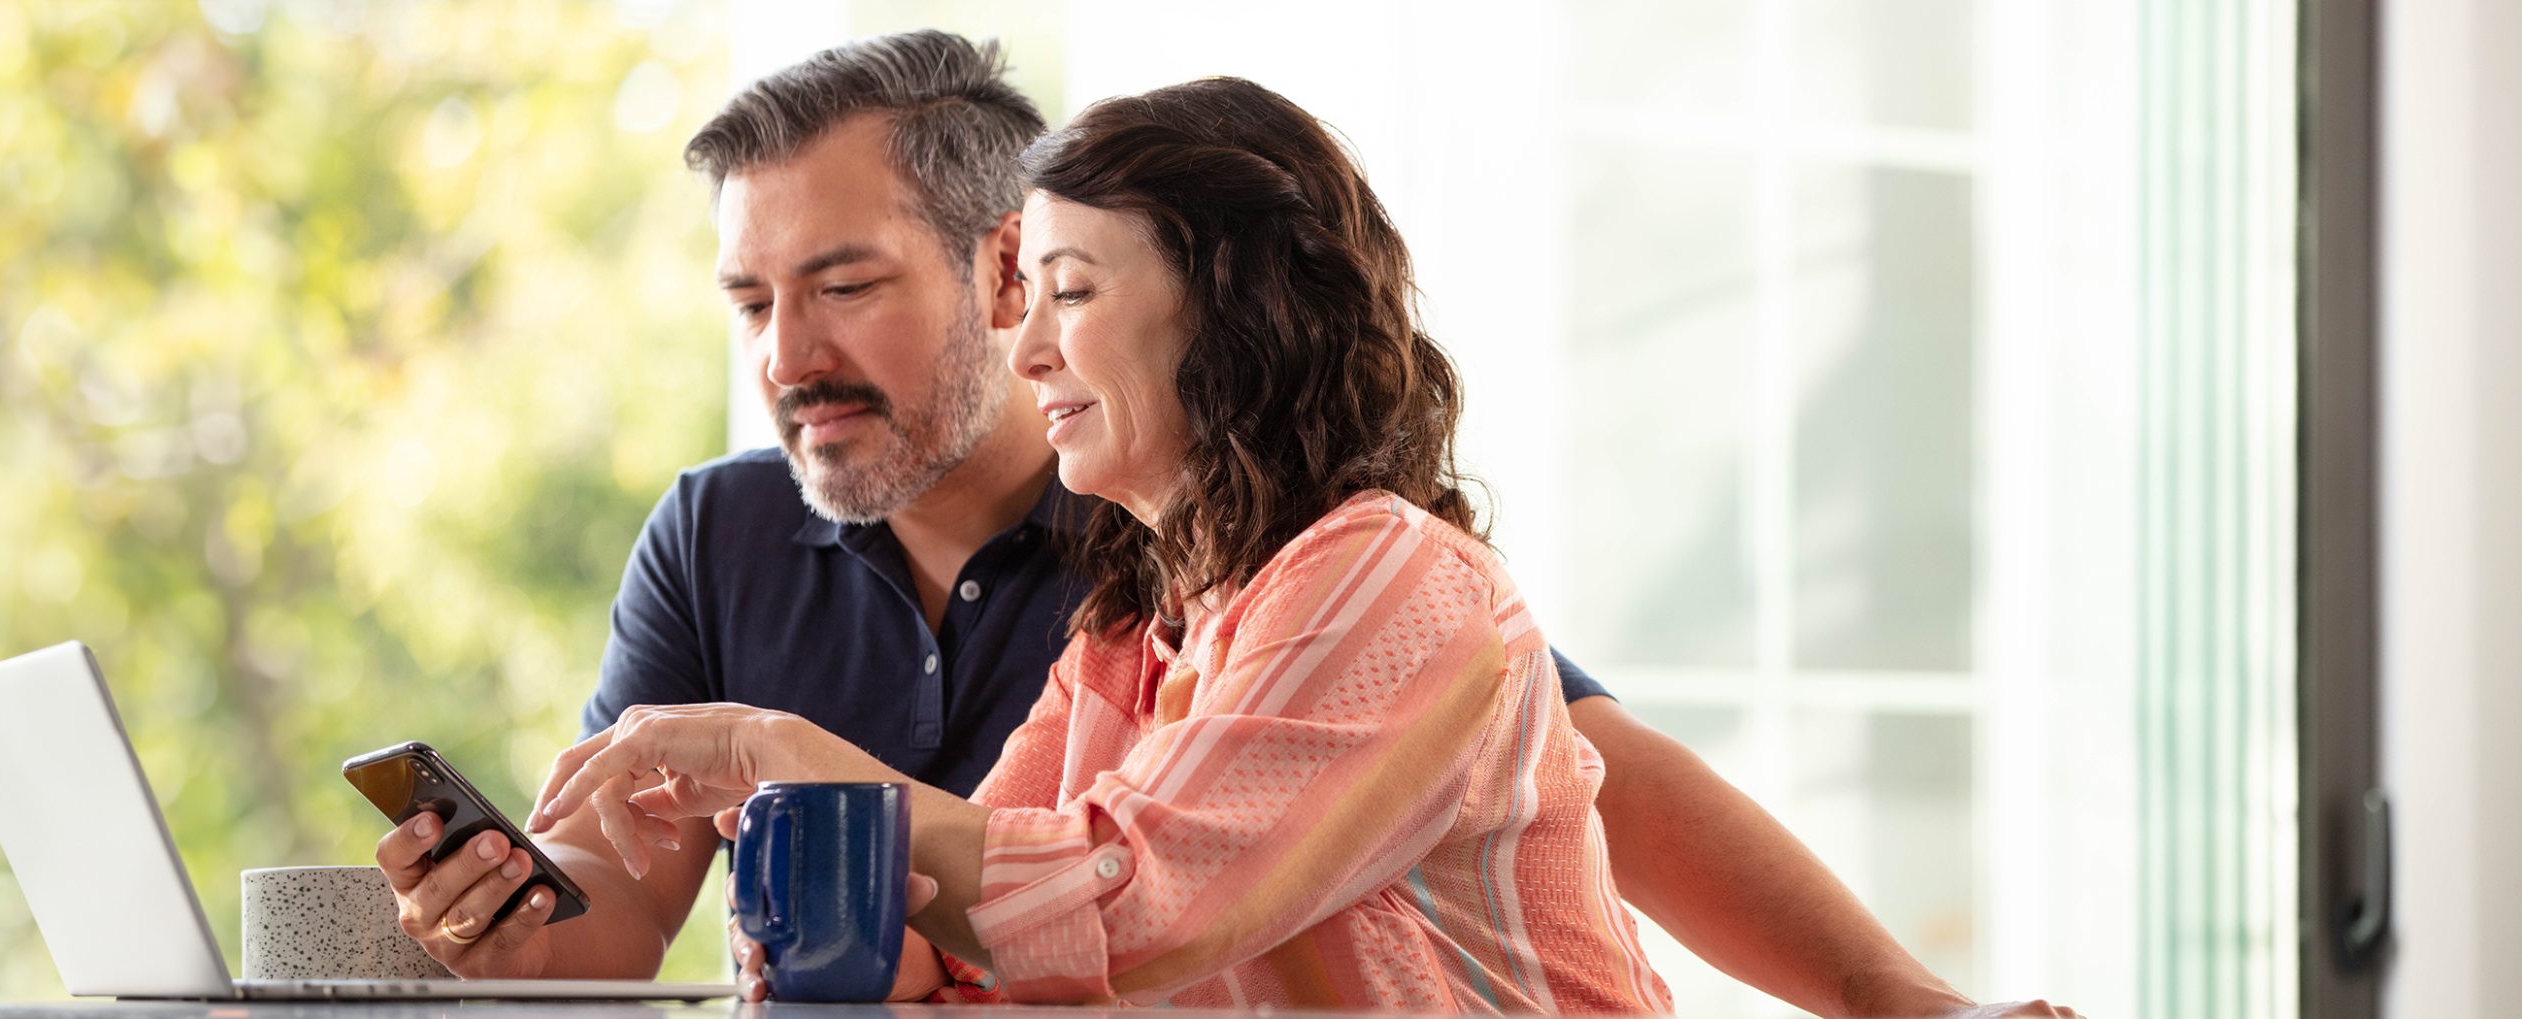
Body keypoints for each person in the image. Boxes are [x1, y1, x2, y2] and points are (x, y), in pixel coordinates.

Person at [374, 30, 2061, 1019]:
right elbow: (930, 948)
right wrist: (510, 913)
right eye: (749, 301)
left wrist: (1900, 1006)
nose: (787, 355)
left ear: (1006, 275)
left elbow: (1146, 895)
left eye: (842, 286)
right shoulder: (1122, 613)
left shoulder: (1361, 570)